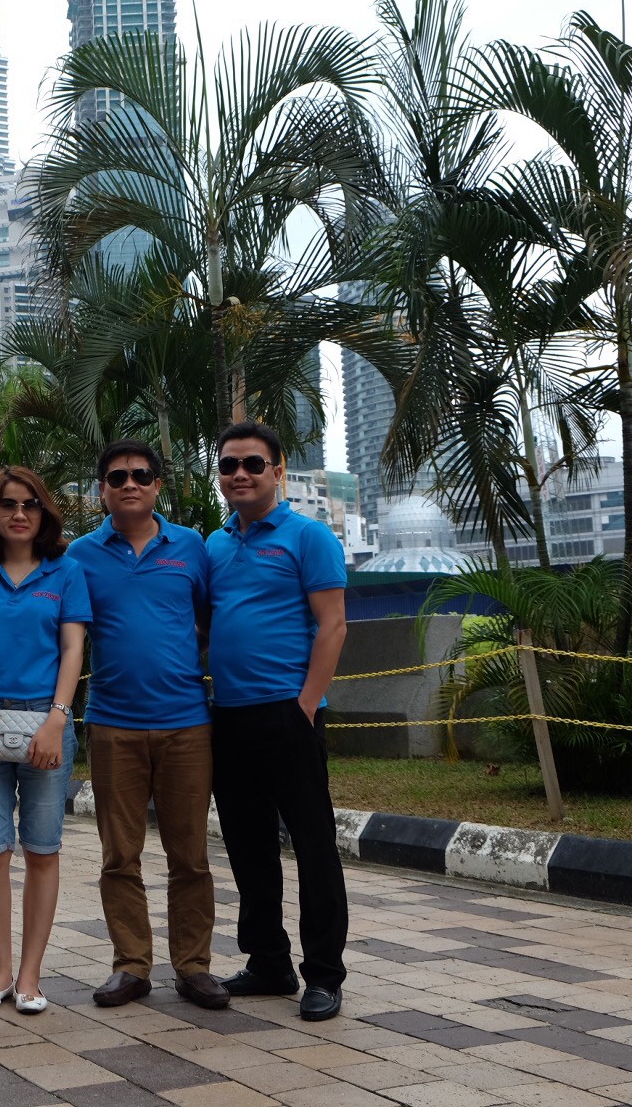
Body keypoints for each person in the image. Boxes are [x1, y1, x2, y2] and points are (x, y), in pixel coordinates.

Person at [63, 439, 229, 1012]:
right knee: (119, 856)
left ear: (158, 485)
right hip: (113, 726)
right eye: (117, 477)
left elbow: (206, 622)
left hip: (187, 724)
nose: (129, 483)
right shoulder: (80, 556)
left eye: (140, 475)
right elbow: (69, 634)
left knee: (191, 856)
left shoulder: (191, 547)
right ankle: (131, 965)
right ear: (102, 490)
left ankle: (194, 966)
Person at [206, 420, 350, 1022]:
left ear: (278, 471)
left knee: (313, 845)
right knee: (248, 846)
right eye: (229, 465)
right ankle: (268, 961)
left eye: (252, 464)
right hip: (229, 717)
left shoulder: (308, 536)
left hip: (290, 713)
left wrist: (306, 705)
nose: (240, 474)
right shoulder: (214, 546)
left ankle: (324, 974)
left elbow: (333, 625)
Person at [0, 467, 89, 1016]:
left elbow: (73, 648)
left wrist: (58, 719)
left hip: (46, 723)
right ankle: (0, 970)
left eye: (30, 504)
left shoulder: (66, 571)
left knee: (42, 849)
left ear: (44, 511)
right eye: (7, 504)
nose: (19, 514)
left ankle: (31, 975)